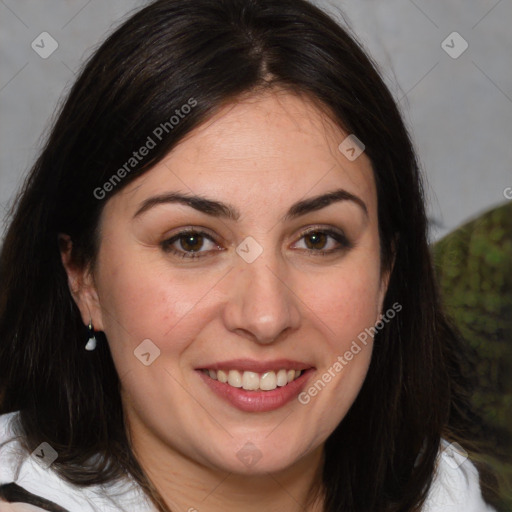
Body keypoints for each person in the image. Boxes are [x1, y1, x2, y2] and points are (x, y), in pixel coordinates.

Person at [0, 0, 501, 510]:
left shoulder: (444, 487)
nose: (265, 316)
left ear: (385, 274)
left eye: (318, 239)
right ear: (82, 276)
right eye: (191, 241)